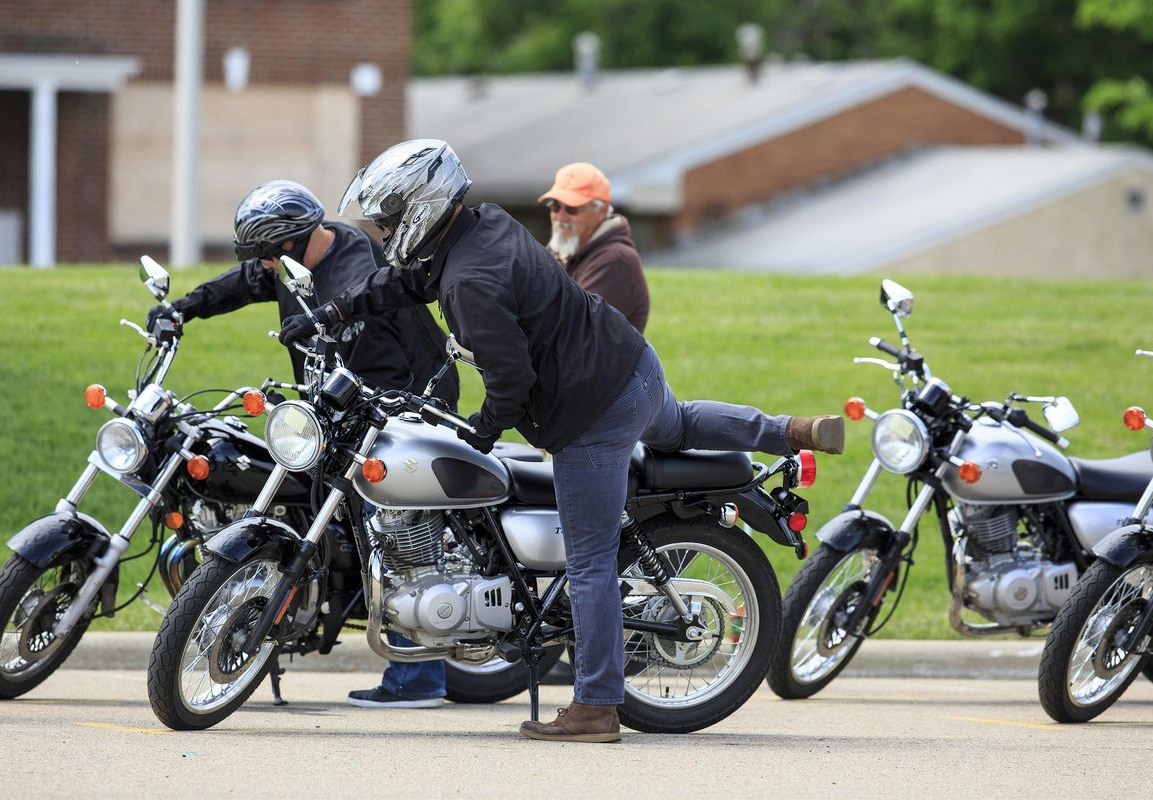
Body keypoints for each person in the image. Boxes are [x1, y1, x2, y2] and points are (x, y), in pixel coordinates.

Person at [279, 140, 844, 743]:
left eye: (391, 218)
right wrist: (335, 313)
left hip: (590, 415)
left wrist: (481, 429)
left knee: (591, 562)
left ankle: (597, 707)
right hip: (632, 366)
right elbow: (407, 281)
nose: (385, 229)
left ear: (422, 208)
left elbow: (512, 379)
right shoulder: (483, 225)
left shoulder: (470, 281)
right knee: (675, 424)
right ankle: (787, 431)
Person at [147, 179, 457, 710]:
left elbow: (382, 364)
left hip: (406, 401)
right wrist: (183, 308)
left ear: (292, 243)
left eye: (267, 255)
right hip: (342, 406)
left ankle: (419, 679)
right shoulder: (291, 262)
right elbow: (242, 283)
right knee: (320, 507)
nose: (262, 267)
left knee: (387, 527)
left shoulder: (357, 271)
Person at [539, 162, 650, 333]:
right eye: (555, 206)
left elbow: (570, 329)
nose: (561, 217)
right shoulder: (561, 250)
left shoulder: (615, 260)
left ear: (601, 210)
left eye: (572, 209)